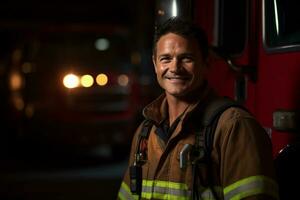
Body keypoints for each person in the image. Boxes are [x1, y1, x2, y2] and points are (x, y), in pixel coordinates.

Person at [117, 17, 279, 200]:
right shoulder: (145, 132)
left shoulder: (234, 127)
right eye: (166, 59)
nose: (174, 67)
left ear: (206, 63)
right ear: (155, 65)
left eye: (186, 58)